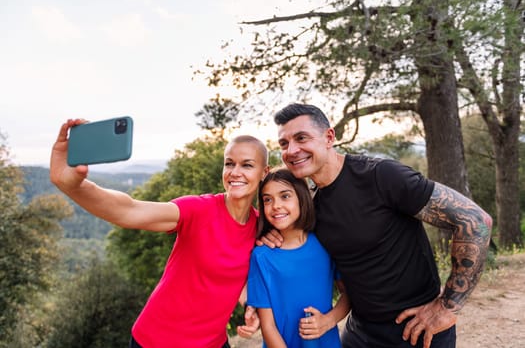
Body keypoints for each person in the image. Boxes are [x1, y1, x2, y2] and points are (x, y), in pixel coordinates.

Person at [258, 103, 493, 348]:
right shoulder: (308, 205)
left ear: (329, 137)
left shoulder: (381, 177)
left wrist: (448, 306)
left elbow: (475, 220)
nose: (292, 150)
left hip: (419, 330)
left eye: (301, 138)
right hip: (360, 335)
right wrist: (271, 237)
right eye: (284, 144)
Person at [50, 119, 269, 348]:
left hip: (212, 343)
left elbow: (238, 277)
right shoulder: (199, 210)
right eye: (229, 163)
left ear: (264, 172)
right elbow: (128, 210)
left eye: (247, 165)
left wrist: (251, 304)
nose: (235, 172)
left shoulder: (260, 227)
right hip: (159, 340)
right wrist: (73, 185)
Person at [247, 168, 350, 347]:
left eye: (285, 196)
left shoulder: (325, 243)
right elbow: (268, 325)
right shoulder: (262, 256)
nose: (276, 205)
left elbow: (348, 294)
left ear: (302, 198)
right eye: (267, 199)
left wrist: (329, 320)